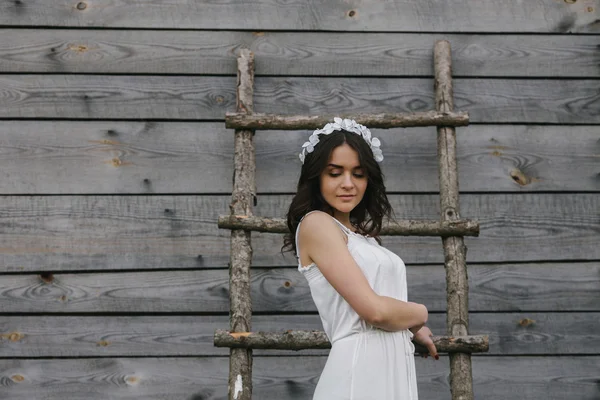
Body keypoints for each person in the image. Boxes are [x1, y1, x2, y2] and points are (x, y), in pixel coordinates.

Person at [282, 118, 438, 399]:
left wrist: (413, 327)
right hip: (360, 372)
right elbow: (374, 311)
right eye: (335, 173)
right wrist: (421, 312)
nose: (348, 184)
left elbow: (377, 296)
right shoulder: (317, 225)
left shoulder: (359, 236)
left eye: (358, 173)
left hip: (390, 369)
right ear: (316, 177)